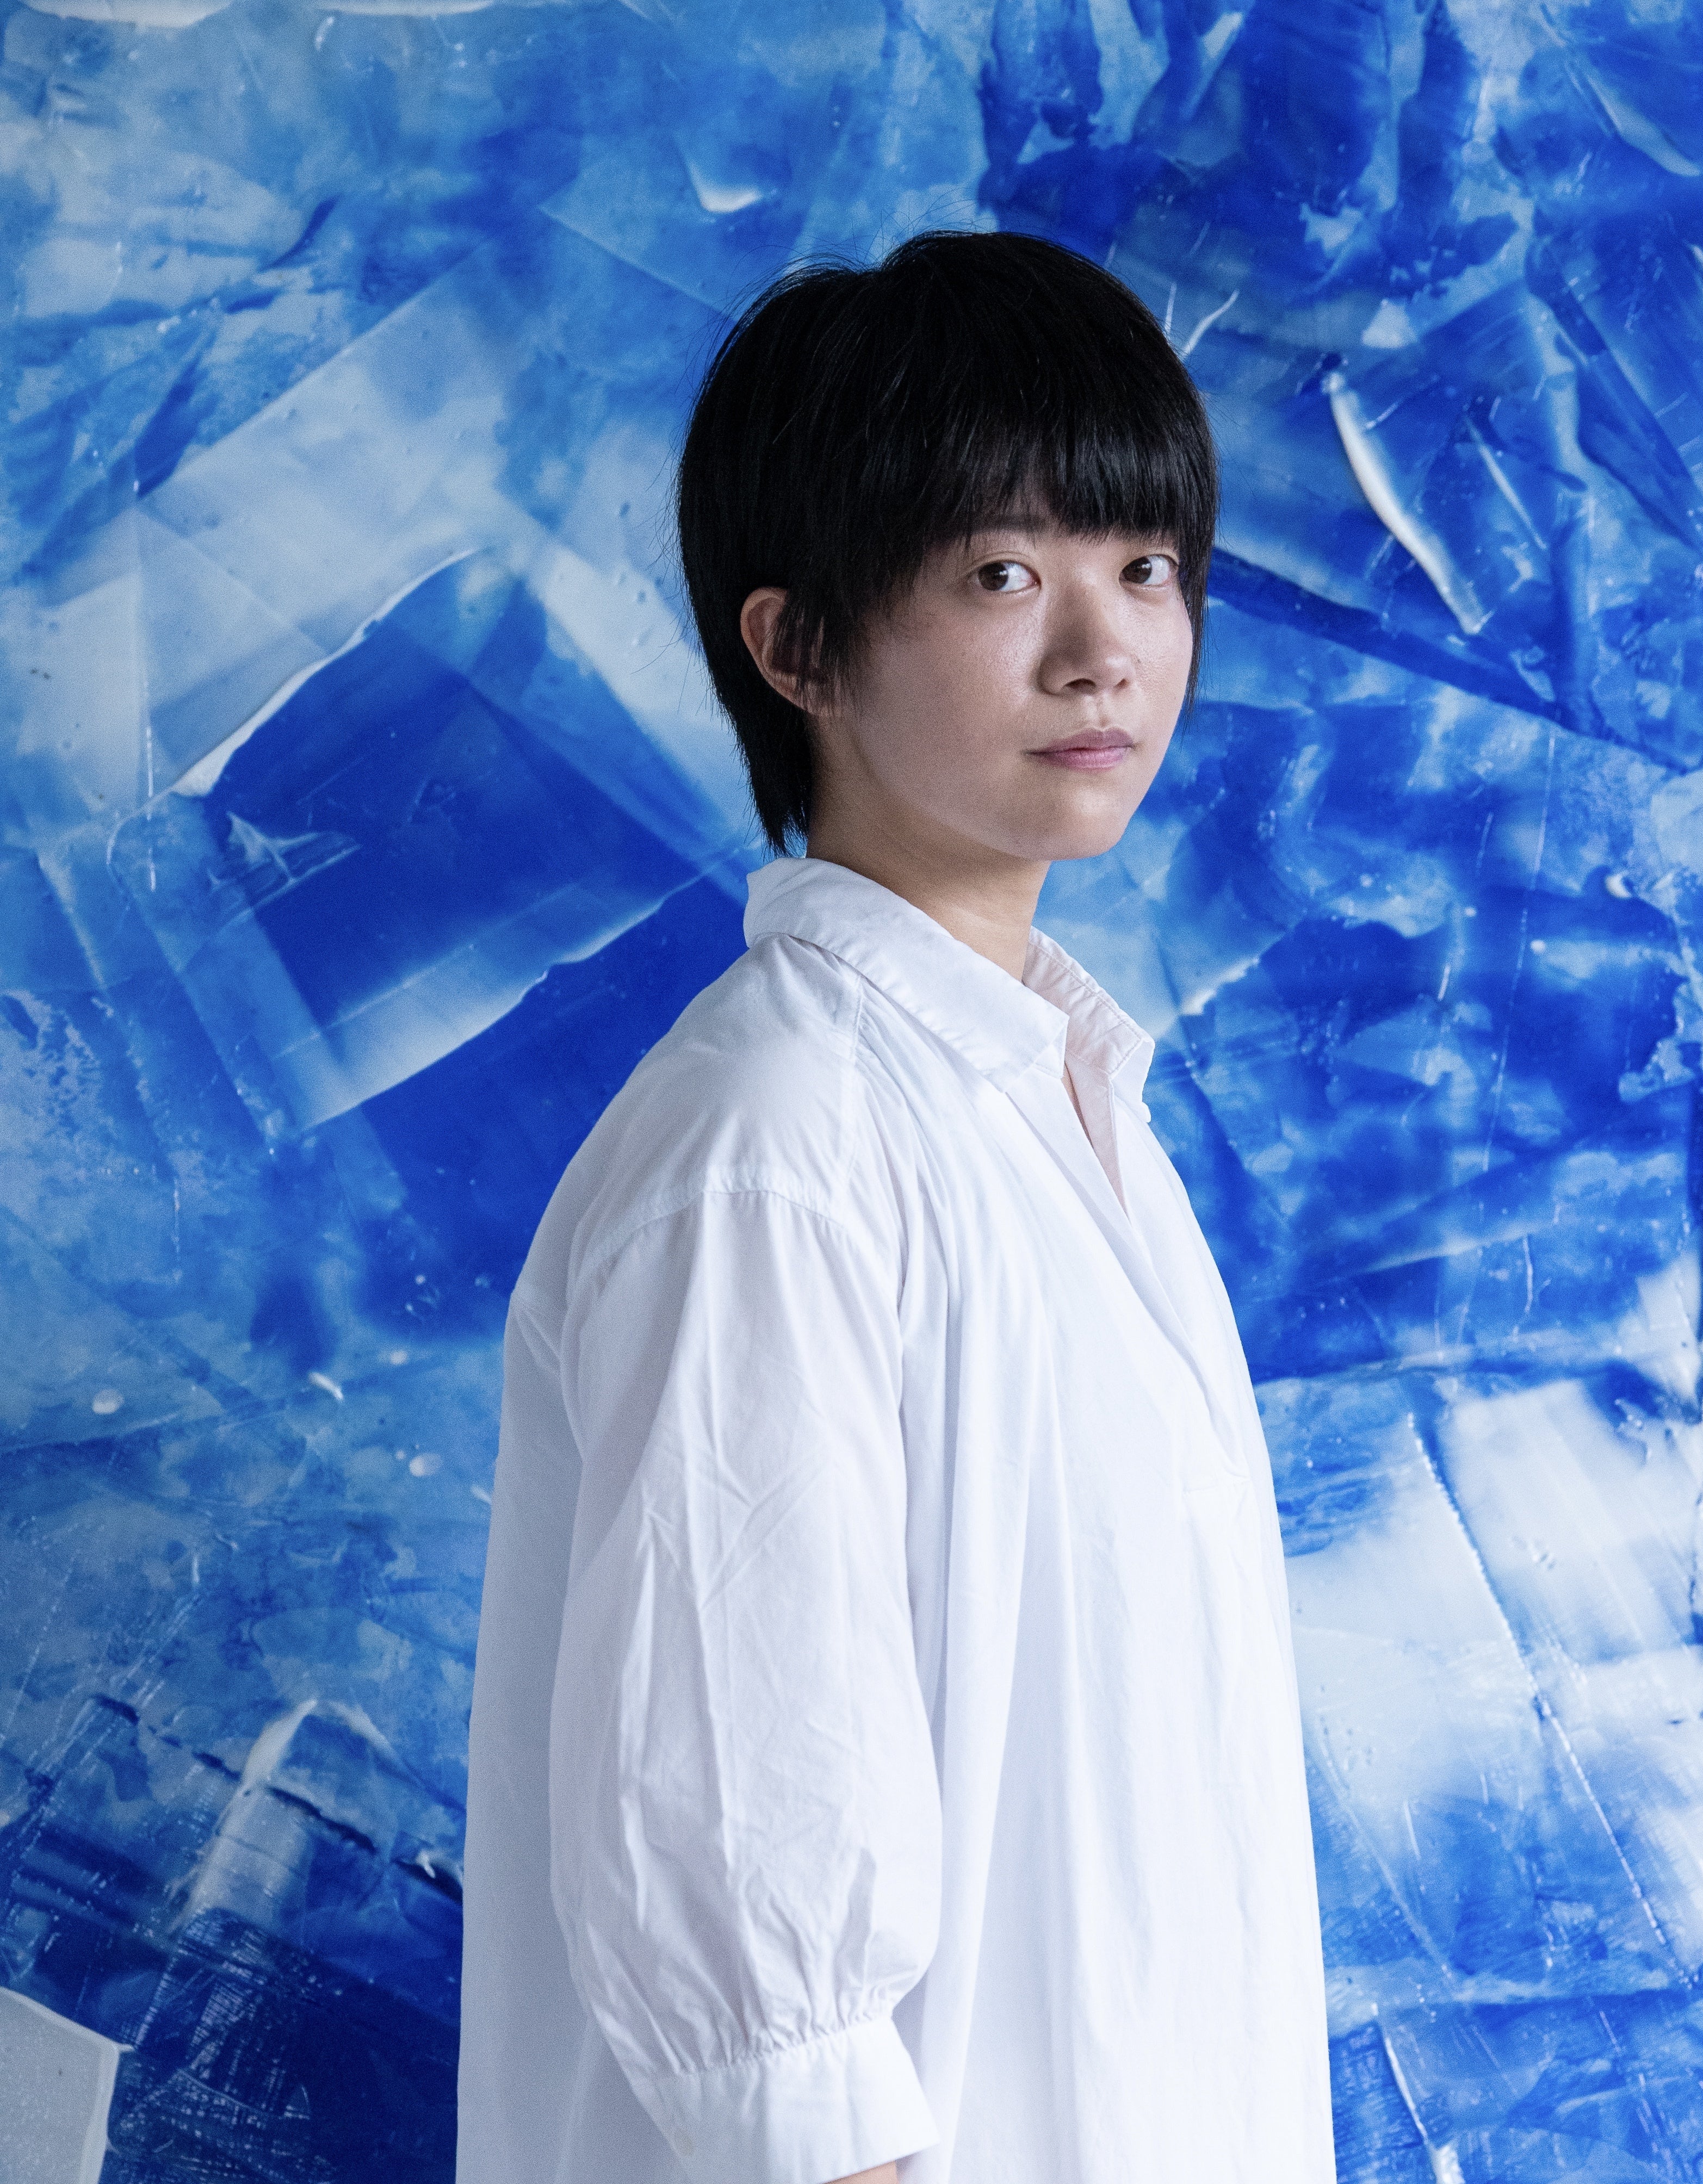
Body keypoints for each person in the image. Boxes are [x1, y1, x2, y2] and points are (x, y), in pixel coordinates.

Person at [456, 229, 1335, 2184]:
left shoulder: (1070, 1115)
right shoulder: (774, 1141)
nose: (1105, 650)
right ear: (799, 651)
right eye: (1004, 575)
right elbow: (747, 1916)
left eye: (1148, 567)